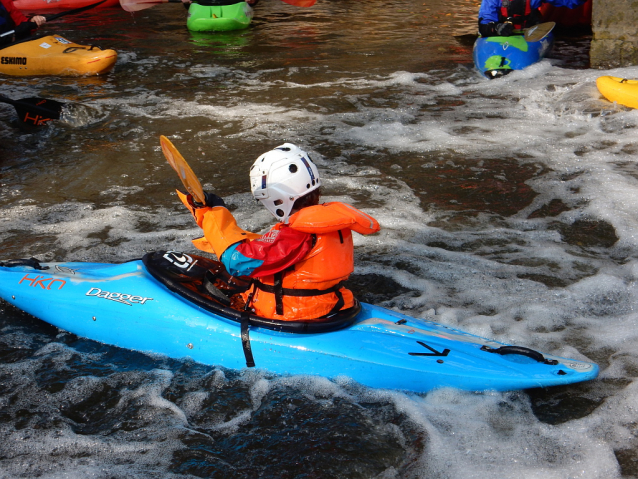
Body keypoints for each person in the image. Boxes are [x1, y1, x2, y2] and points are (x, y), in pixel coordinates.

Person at [178, 143, 380, 321]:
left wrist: (215, 216)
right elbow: (267, 248)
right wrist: (206, 213)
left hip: (295, 317)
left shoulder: (298, 234)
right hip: (330, 307)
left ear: (278, 198)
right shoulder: (326, 223)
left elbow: (237, 262)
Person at [477, 0, 587, 37]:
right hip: (501, 36)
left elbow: (572, 2)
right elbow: (485, 22)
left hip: (531, 35)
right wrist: (497, 27)